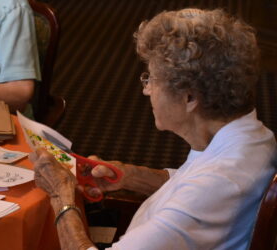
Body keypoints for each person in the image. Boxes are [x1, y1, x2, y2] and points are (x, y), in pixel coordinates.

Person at [30, 8, 277, 250]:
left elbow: (199, 193)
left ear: (189, 97)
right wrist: (128, 176)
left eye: (152, 79)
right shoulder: (253, 137)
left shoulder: (214, 186)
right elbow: (187, 182)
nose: (146, 89)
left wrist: (61, 195)